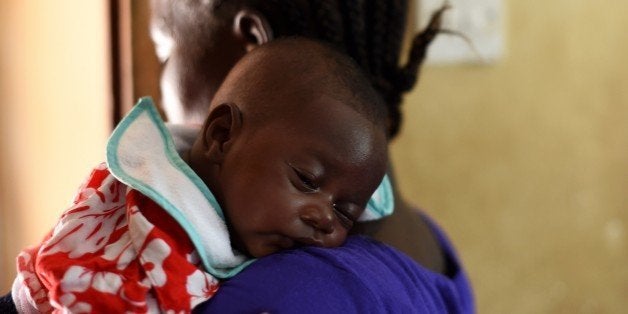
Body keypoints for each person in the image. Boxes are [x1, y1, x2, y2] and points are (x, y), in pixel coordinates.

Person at [6, 38, 390, 313]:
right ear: (222, 136)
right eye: (307, 180)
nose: (323, 217)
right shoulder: (148, 228)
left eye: (344, 212)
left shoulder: (251, 195)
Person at [148, 1, 474, 312]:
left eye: (164, 52)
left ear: (251, 42)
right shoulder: (429, 242)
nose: (161, 89)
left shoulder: (287, 293)